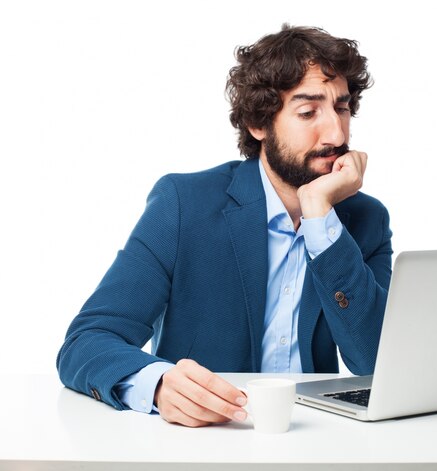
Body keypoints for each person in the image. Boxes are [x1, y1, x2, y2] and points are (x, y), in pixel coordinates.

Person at [57, 24, 393, 428]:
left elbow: (378, 364)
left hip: (314, 437)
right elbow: (86, 342)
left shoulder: (364, 219)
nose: (337, 133)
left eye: (341, 107)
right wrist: (159, 385)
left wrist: (321, 219)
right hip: (205, 439)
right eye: (308, 112)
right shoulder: (184, 204)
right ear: (258, 123)